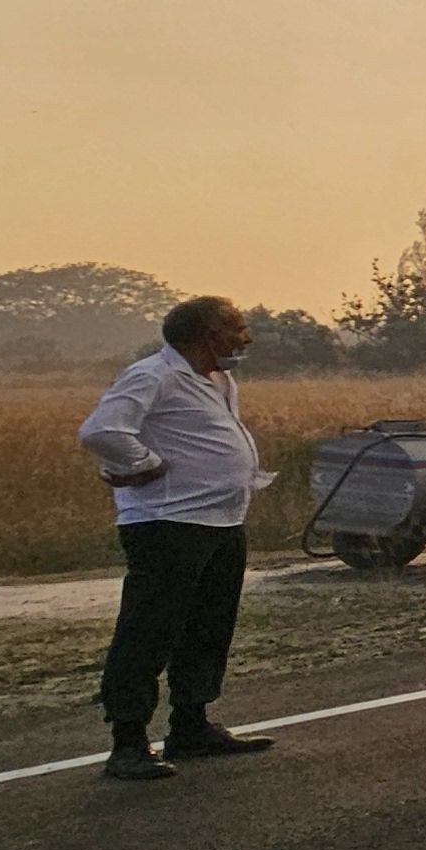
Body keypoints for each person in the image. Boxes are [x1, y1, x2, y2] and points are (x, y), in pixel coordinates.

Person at [76, 295, 278, 780]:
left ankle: (191, 725)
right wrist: (144, 466)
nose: (244, 338)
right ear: (208, 335)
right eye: (237, 328)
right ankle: (127, 741)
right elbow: (102, 430)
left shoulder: (220, 380)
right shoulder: (154, 375)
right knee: (149, 631)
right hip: (168, 524)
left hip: (221, 521)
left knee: (207, 627)